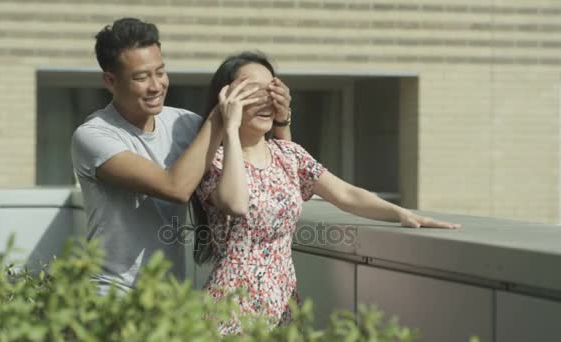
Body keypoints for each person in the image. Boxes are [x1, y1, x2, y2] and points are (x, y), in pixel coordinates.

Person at [193, 51, 460, 334]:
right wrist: (229, 127)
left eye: (271, 89)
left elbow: (345, 194)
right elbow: (236, 203)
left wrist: (402, 214)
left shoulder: (289, 154)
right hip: (231, 309)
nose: (266, 100)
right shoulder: (214, 159)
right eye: (251, 91)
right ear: (227, 98)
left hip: (282, 304)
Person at [70, 18, 292, 295]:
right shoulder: (94, 136)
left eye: (160, 72)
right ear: (110, 81)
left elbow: (276, 171)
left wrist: (281, 119)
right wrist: (220, 115)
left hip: (172, 295)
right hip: (114, 296)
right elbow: (174, 188)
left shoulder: (185, 125)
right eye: (141, 77)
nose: (156, 86)